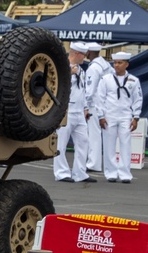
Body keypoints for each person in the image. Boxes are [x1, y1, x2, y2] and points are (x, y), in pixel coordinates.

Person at [95, 52, 142, 183]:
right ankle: (111, 172)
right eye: (115, 63)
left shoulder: (133, 80)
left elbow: (137, 99)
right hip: (109, 114)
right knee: (109, 144)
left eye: (120, 63)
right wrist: (101, 116)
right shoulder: (106, 79)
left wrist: (136, 117)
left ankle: (125, 173)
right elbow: (100, 98)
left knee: (125, 145)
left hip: (125, 115)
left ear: (126, 64)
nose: (117, 65)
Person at [53, 44, 91, 184]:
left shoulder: (81, 71)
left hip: (79, 111)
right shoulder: (62, 68)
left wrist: (86, 108)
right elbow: (56, 85)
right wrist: (69, 74)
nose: (85, 57)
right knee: (61, 143)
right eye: (83, 54)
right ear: (75, 53)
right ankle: (61, 173)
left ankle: (80, 173)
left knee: (83, 141)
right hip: (66, 110)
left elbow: (83, 91)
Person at [84, 44, 110, 173]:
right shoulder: (106, 65)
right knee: (104, 135)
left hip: (94, 105)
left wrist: (86, 107)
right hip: (106, 104)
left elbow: (90, 90)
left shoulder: (93, 68)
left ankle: (93, 163)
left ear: (89, 52)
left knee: (93, 135)